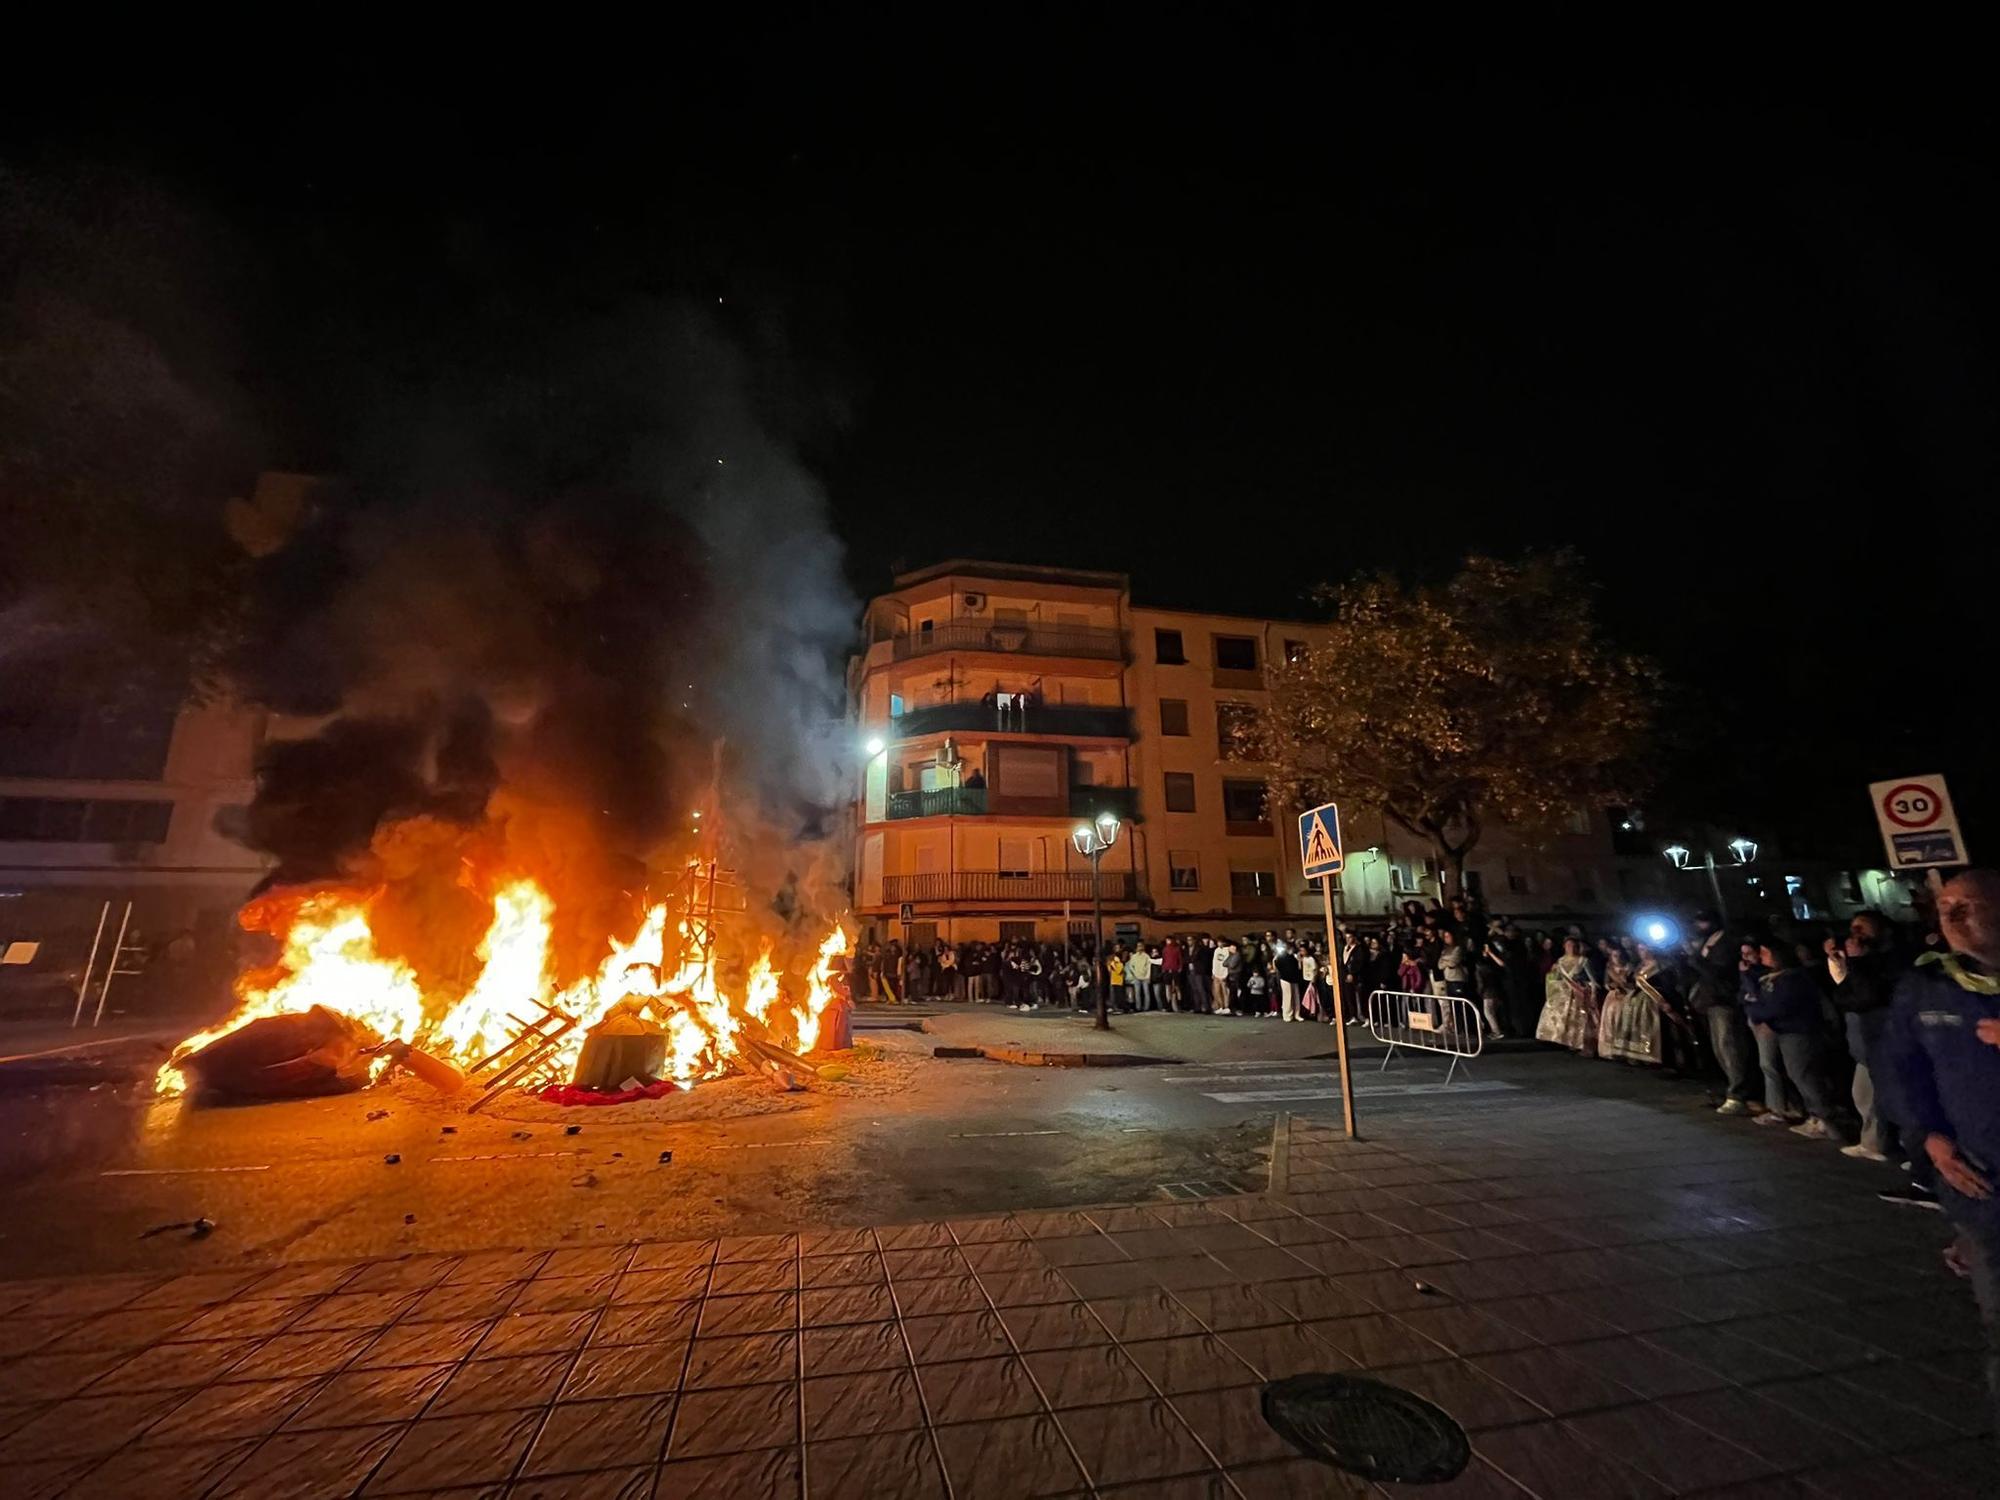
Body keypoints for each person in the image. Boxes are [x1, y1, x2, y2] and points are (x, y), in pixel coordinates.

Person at [1883, 869, 2000, 1432]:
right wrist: (1929, 1138)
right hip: (1982, 1186)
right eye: (1944, 907)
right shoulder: (1927, 986)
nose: (1950, 918)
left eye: (1966, 907)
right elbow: (1902, 1072)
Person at [1823, 911, 1909, 1162]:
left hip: (1890, 1036)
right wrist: (1842, 963)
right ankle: (1879, 1143)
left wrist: (1858, 961)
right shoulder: (1864, 960)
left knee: (1892, 1097)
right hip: (1869, 1039)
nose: (1855, 934)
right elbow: (1843, 994)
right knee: (1864, 1094)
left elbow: (1866, 996)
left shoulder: (1891, 959)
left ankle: (1897, 1148)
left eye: (1862, 928)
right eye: (1853, 928)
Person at [1745, 938, 1848, 1142]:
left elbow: (1776, 1006)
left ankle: (1826, 1120)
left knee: (1805, 1075)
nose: (1762, 957)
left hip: (1798, 1032)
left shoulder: (1792, 979)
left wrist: (1756, 1011)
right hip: (1787, 1031)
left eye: (1766, 952)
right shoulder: (1777, 978)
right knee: (1798, 1074)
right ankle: (1817, 1116)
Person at [1686, 911, 1759, 1114]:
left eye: (1702, 921)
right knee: (1720, 1048)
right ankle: (1731, 1086)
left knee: (1730, 1047)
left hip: (1724, 999)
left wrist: (1697, 959)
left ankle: (1740, 1093)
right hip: (1710, 1000)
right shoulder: (1706, 941)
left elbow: (1720, 972)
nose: (1698, 926)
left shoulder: (1726, 943)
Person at [1537, 936, 1600, 1055]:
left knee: (1577, 1019)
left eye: (1573, 946)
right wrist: (1552, 972)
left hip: (1578, 993)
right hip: (1562, 994)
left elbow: (1592, 980)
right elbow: (1555, 978)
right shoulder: (1560, 961)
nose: (1571, 948)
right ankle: (1564, 1040)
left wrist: (1592, 993)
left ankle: (1578, 1044)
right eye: (1568, 945)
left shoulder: (1583, 961)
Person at [1274, 940, 1304, 1022]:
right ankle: (1287, 1015)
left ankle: (1297, 1014)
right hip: (1285, 978)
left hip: (1294, 978)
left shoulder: (1294, 956)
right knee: (1288, 997)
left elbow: (1299, 968)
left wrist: (1299, 960)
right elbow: (1277, 965)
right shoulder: (1281, 956)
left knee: (1296, 997)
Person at [1161, 935, 1185, 1012]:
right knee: (1168, 988)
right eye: (1167, 940)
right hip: (1167, 970)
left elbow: (1180, 959)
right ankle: (1169, 1005)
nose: (1168, 942)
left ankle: (1179, 1005)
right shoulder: (1165, 949)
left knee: (1177, 988)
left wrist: (1180, 968)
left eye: (1169, 940)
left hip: (1175, 970)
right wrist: (1163, 968)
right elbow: (1164, 959)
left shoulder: (1177, 949)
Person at [1126, 943, 1154, 1011]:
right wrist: (1135, 973)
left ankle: (1146, 1007)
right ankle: (1138, 1007)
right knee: (1137, 993)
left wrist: (1148, 976)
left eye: (1141, 946)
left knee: (1146, 993)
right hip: (1136, 977)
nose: (1140, 947)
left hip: (1145, 977)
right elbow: (1131, 966)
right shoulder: (1134, 956)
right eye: (1138, 946)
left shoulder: (1146, 956)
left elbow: (1149, 966)